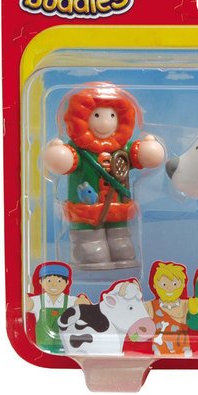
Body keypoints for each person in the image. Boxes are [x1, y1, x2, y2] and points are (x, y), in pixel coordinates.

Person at [43, 85, 165, 269]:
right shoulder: (79, 150)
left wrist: (148, 150)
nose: (106, 122)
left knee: (121, 243)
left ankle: (119, 241)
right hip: (86, 212)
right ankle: (86, 245)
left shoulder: (123, 148)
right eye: (97, 115)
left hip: (118, 209)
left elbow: (141, 157)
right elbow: (65, 162)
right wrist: (58, 155)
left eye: (112, 116)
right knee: (91, 246)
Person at [25, 263, 90, 353]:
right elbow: (27, 306)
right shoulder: (37, 301)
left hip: (66, 346)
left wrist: (82, 303)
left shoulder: (71, 301)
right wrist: (25, 299)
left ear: (67, 282)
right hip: (43, 347)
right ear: (41, 282)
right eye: (49, 281)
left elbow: (83, 308)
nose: (54, 285)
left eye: (59, 281)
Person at [145, 262, 192, 357]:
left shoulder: (187, 304)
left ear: (183, 284)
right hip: (159, 354)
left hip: (184, 353)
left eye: (175, 284)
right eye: (164, 284)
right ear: (155, 285)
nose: (169, 288)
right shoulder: (150, 306)